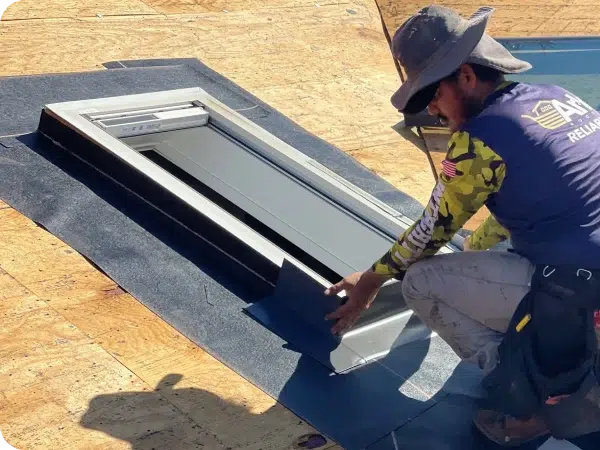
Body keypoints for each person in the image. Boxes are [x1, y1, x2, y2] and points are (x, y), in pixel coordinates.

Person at [324, 4, 600, 447]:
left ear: (467, 76)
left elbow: (431, 230)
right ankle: (568, 354)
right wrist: (481, 245)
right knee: (481, 247)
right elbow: (549, 197)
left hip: (584, 292)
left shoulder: (477, 143)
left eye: (432, 94)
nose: (432, 110)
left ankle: (537, 395)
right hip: (587, 269)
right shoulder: (555, 98)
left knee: (421, 281)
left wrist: (371, 281)